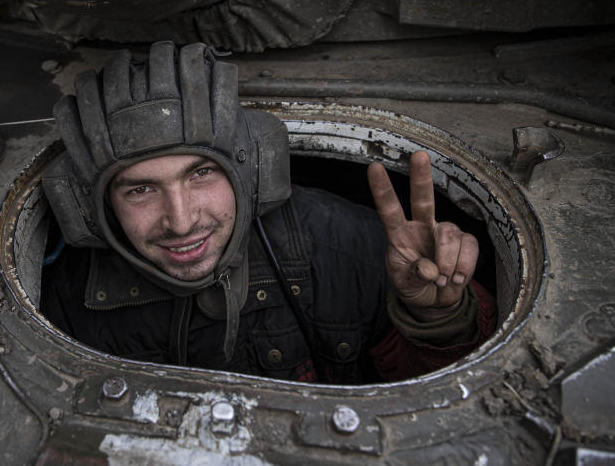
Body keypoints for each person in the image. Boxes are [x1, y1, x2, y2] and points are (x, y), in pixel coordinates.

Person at [39, 42, 496, 383]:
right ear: (96, 206)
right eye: (140, 189)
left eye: (201, 174)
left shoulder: (346, 246)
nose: (180, 221)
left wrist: (438, 318)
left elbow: (432, 391)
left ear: (251, 172)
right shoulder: (66, 305)